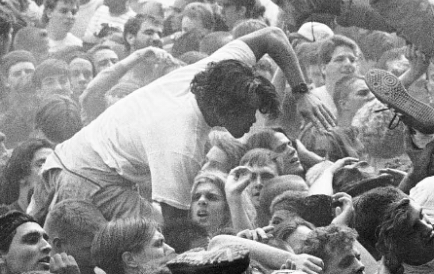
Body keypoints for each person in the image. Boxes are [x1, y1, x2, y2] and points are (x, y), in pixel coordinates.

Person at [27, 27, 334, 252]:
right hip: (88, 181)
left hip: (67, 159)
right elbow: (177, 230)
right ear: (220, 107)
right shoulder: (180, 143)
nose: (254, 121)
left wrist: (302, 91)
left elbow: (273, 37)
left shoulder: (215, 72)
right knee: (151, 242)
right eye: (248, 113)